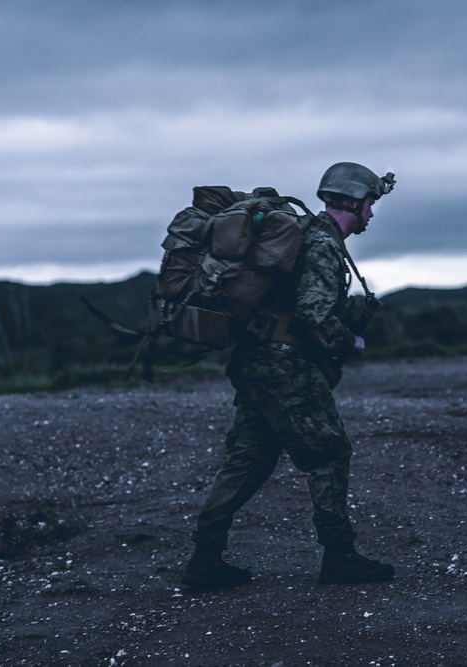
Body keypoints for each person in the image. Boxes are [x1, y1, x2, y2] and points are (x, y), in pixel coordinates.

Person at [181, 162, 396, 591]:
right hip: (285, 366)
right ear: (352, 201)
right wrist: (347, 342)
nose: (371, 214)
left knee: (249, 459)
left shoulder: (307, 237)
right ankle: (339, 556)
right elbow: (314, 314)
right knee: (330, 451)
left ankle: (205, 559)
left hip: (258, 363)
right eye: (370, 204)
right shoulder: (321, 244)